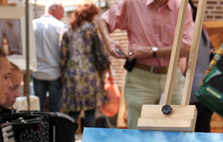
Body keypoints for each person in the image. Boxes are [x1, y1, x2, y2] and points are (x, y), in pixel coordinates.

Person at [99, 0, 194, 129]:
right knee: (138, 134)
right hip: (140, 78)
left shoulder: (182, 7)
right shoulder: (133, 4)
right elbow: (103, 20)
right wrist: (109, 42)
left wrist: (151, 51)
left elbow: (187, 48)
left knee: (177, 131)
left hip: (172, 77)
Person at [60, 1, 108, 129]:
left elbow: (62, 56)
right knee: (90, 111)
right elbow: (101, 51)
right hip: (90, 73)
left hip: (72, 73)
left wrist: (63, 73)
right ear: (90, 15)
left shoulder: (69, 31)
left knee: (73, 112)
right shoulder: (91, 29)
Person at [180, 0, 214, 132]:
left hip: (190, 92)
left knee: (186, 140)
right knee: (203, 137)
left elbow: (182, 67)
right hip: (205, 91)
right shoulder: (202, 30)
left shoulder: (186, 33)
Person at [33, 2, 66, 113]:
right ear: (54, 9)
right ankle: (54, 130)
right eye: (62, 11)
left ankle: (41, 130)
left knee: (38, 110)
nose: (63, 14)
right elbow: (64, 52)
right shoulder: (60, 26)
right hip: (54, 73)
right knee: (55, 111)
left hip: (37, 72)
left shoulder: (33, 24)